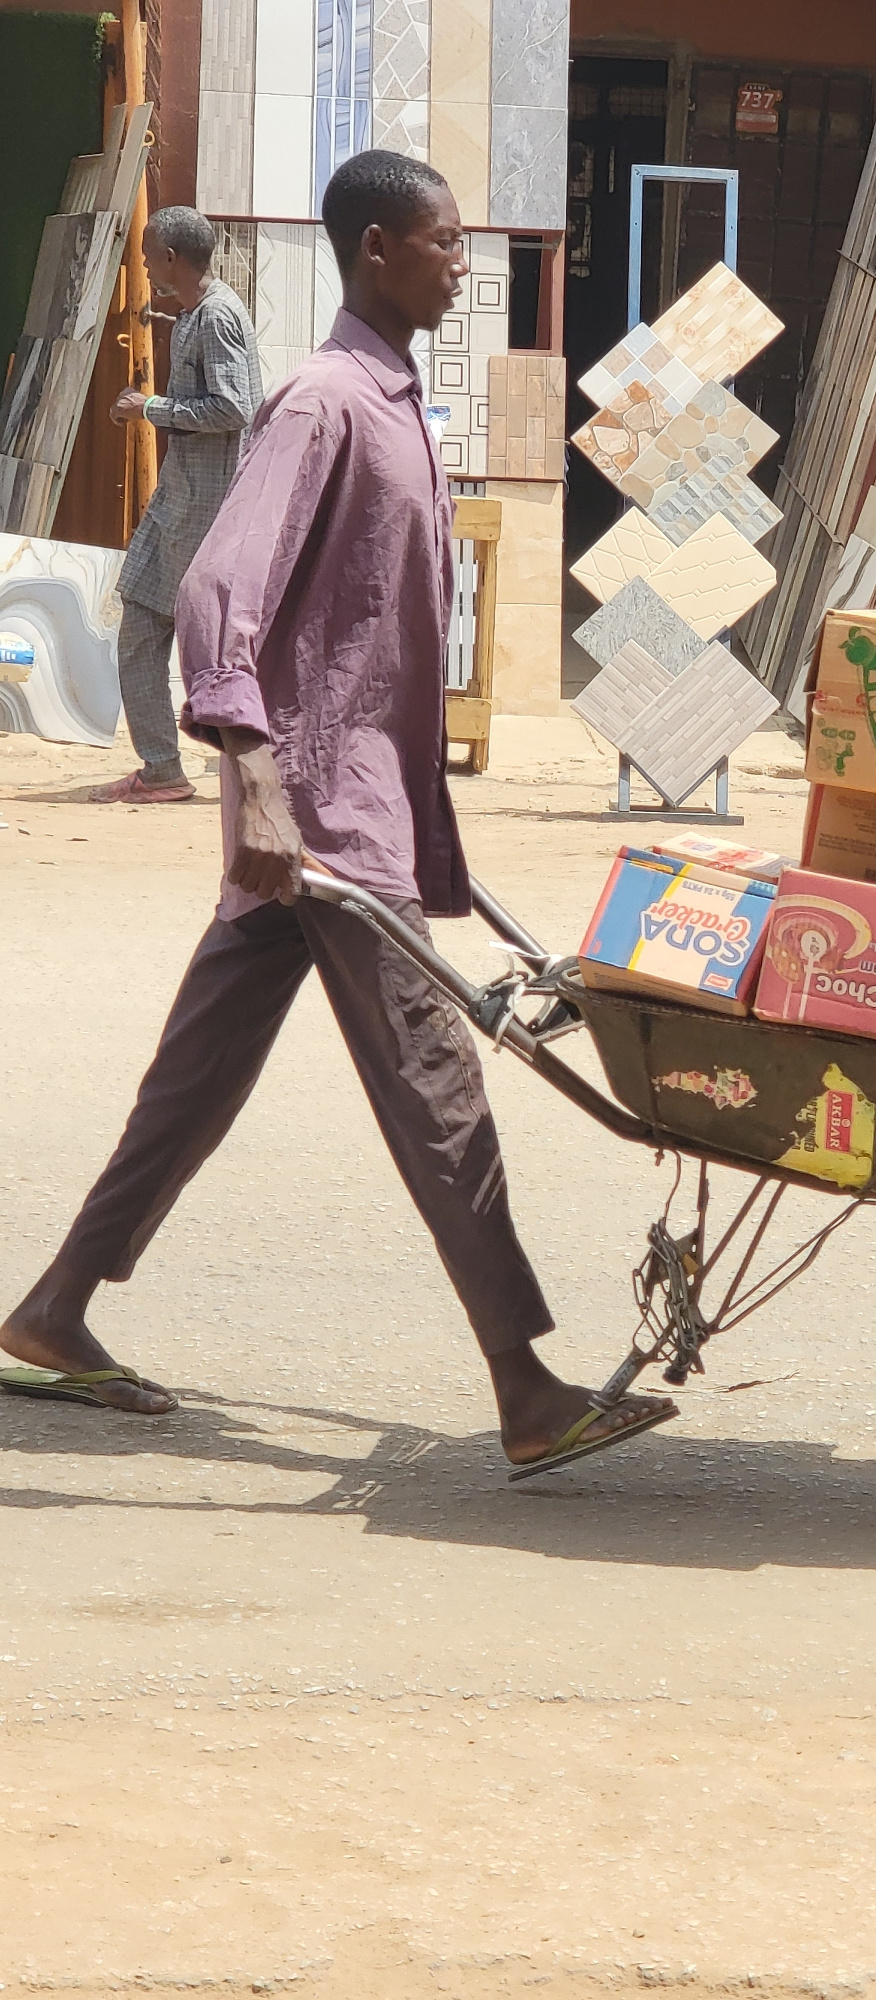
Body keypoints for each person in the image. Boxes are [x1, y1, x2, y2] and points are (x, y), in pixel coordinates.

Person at [1, 151, 675, 1474]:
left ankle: (54, 1311)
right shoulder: (322, 400)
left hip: (337, 814)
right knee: (437, 1081)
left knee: (195, 1079)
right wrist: (254, 777)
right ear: (377, 249)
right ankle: (527, 1388)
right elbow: (220, 592)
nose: (462, 263)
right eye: (444, 242)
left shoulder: (391, 398)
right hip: (320, 823)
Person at [93, 206, 263, 805]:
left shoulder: (215, 316)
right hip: (189, 498)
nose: (143, 265)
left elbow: (234, 408)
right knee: (182, 629)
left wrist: (149, 408)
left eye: (148, 256)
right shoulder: (199, 311)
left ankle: (164, 768)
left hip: (200, 507)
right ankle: (173, 764)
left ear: (171, 258)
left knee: (145, 622)